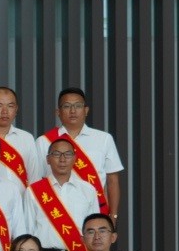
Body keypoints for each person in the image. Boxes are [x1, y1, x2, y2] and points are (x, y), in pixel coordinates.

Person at [24, 134, 101, 251]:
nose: (62, 159)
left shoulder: (88, 190)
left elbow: (94, 228)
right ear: (48, 159)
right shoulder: (34, 191)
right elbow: (28, 229)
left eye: (68, 154)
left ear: (75, 158)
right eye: (57, 154)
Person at [38, 87, 125, 216]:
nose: (73, 111)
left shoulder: (104, 139)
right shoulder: (43, 141)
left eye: (78, 106)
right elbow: (38, 180)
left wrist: (113, 216)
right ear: (58, 112)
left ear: (86, 110)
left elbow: (112, 181)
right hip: (56, 213)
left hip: (94, 213)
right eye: (67, 106)